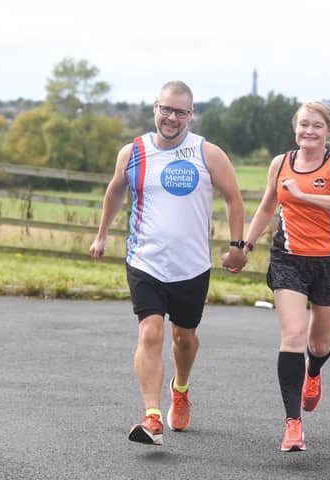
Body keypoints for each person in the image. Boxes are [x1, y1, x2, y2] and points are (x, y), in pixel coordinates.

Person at [89, 80, 246, 446]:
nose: (171, 117)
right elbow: (115, 189)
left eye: (180, 111)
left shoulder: (208, 153)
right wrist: (102, 234)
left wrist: (237, 246)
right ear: (154, 108)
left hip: (192, 266)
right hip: (145, 259)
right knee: (150, 331)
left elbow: (234, 199)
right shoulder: (134, 152)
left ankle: (181, 389)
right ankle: (152, 416)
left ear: (191, 115)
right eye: (166, 109)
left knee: (184, 338)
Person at [240, 101, 330, 452]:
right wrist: (244, 246)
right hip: (288, 259)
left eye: (316, 126)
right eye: (303, 124)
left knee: (318, 345)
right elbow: (265, 207)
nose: (309, 131)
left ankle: (314, 371)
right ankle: (293, 424)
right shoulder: (281, 163)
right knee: (292, 335)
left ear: (328, 132)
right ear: (295, 128)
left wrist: (304, 195)